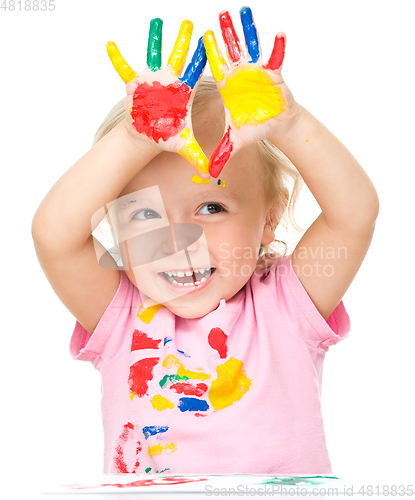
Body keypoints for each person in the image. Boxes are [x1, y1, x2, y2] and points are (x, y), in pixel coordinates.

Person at [32, 7, 379, 475]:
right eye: (146, 214)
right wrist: (137, 139)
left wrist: (291, 125)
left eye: (211, 208)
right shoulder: (119, 315)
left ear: (270, 217)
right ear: (115, 227)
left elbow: (354, 214)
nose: (177, 240)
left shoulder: (286, 303)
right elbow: (53, 235)